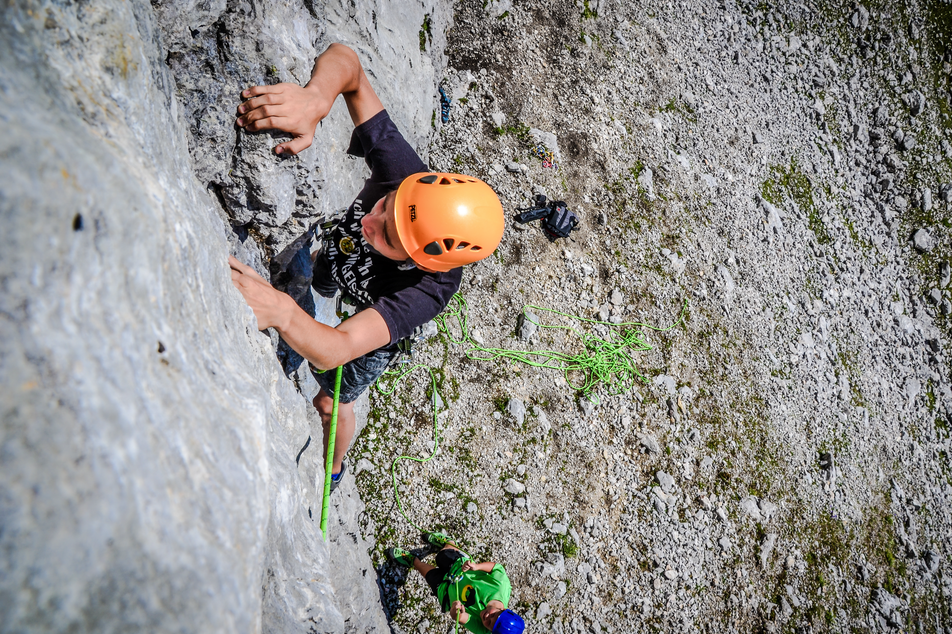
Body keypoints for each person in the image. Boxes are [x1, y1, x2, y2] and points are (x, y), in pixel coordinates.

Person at [228, 44, 504, 492]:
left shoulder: (427, 291)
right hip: (337, 265)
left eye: (388, 236)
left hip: (372, 321)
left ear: (420, 261)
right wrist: (316, 99)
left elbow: (338, 349)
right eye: (385, 204)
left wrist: (281, 312)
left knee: (329, 402)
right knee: (323, 268)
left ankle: (333, 469)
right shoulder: (405, 176)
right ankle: (319, 287)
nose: (369, 220)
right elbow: (347, 64)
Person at [387, 531, 525, 634]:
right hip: (459, 568)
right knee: (443, 556)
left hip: (447, 592)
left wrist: (455, 611)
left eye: (489, 623)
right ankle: (449, 543)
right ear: (504, 609)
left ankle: (413, 561)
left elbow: (460, 617)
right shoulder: (501, 587)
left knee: (429, 575)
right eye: (493, 615)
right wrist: (477, 566)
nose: (487, 617)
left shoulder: (484, 631)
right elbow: (496, 568)